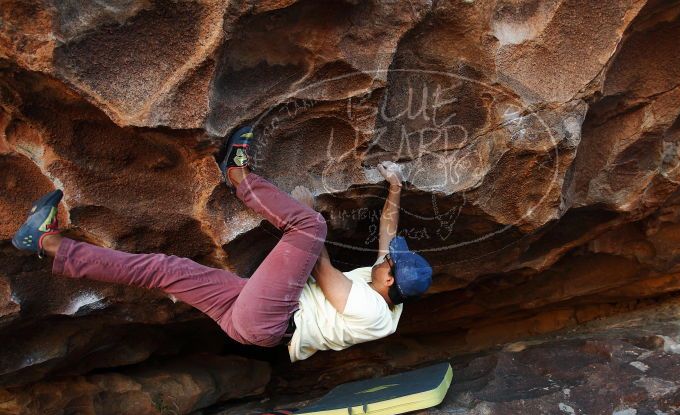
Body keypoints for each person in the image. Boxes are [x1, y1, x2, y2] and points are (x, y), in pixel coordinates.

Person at [12, 126, 433, 361]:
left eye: (391, 261)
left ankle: (236, 174)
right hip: (250, 310)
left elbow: (321, 271)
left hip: (269, 322)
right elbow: (388, 230)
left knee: (309, 226)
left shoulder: (372, 311)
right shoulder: (385, 287)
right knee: (165, 269)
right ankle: (47, 242)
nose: (386, 257)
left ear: (389, 279)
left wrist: (305, 211)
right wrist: (394, 185)